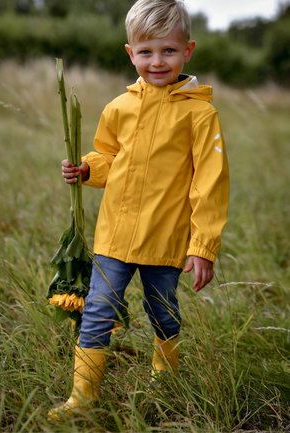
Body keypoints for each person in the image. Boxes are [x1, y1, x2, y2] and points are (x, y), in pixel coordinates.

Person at [48, 0, 229, 421]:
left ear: (188, 50)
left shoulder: (200, 115)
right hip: (114, 235)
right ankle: (82, 398)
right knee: (96, 309)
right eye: (146, 51)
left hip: (165, 240)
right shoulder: (119, 107)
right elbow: (109, 157)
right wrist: (87, 167)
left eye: (168, 50)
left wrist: (202, 246)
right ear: (131, 53)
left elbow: (210, 183)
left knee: (161, 311)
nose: (157, 61)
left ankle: (165, 377)